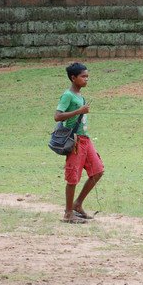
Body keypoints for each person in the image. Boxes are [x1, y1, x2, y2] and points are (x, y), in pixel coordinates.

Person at [55, 62, 104, 224]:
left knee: (97, 171)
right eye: (83, 76)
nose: (86, 79)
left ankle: (77, 204)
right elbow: (57, 116)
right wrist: (79, 111)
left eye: (87, 76)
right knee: (73, 177)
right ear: (73, 77)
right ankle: (68, 213)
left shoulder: (80, 96)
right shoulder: (67, 95)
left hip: (85, 139)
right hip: (74, 140)